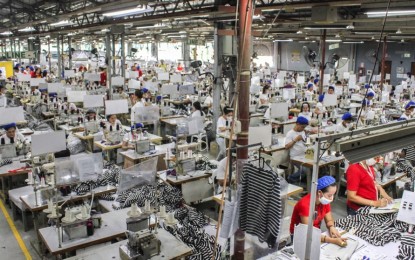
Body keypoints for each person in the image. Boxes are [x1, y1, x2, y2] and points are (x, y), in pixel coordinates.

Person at [290, 176, 347, 247]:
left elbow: (329, 220)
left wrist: (331, 227)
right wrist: (332, 240)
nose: (331, 198)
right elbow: (309, 232)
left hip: (316, 233)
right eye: (329, 195)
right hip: (301, 235)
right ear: (319, 193)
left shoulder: (324, 201)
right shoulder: (305, 205)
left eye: (333, 195)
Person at [285, 116, 309, 183]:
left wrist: (308, 137)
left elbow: (307, 143)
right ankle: (290, 179)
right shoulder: (290, 133)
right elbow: (286, 146)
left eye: (304, 127)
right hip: (295, 158)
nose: (303, 129)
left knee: (315, 167)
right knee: (306, 170)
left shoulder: (303, 132)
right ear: (297, 124)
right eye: (302, 127)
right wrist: (295, 140)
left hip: (304, 156)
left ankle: (304, 181)